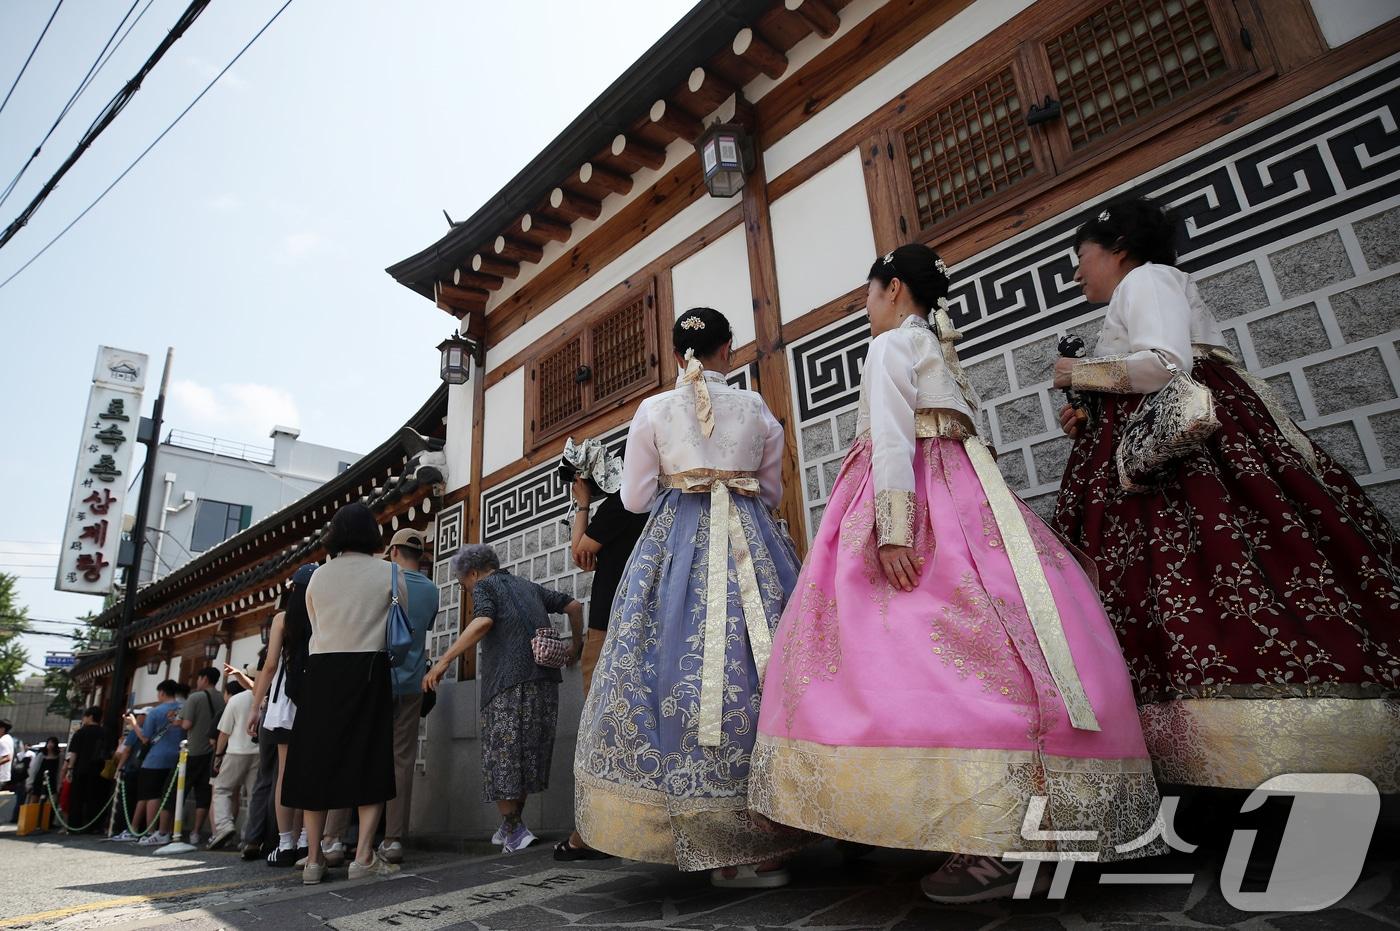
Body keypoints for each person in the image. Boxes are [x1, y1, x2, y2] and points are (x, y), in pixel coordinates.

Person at [747, 245, 1162, 903]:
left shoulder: (889, 348)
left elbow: (890, 436)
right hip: (973, 500)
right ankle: (1038, 827)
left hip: (911, 494)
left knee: (904, 655)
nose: (866, 306)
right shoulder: (941, 350)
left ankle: (982, 839)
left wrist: (891, 530)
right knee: (998, 649)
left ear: (890, 290)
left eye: (868, 293)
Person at [1051, 197, 1400, 796]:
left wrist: (1075, 374)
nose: (1077, 273)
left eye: (1082, 258)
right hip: (1170, 453)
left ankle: (1278, 763)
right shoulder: (1145, 284)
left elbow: (1164, 364)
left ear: (1120, 250)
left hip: (1190, 464)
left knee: (1219, 573)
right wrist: (1094, 409)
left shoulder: (1148, 278)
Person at [574, 307, 805, 888]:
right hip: (747, 540)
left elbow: (632, 498)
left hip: (675, 542)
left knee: (671, 667)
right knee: (759, 666)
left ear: (680, 354)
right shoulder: (754, 408)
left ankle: (700, 834)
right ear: (729, 349)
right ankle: (769, 832)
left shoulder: (653, 410)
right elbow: (772, 488)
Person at [425, 544, 583, 855]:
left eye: (462, 585)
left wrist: (444, 660)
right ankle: (512, 826)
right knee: (525, 756)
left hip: (507, 684)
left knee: (503, 757)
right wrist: (575, 646)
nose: (467, 590)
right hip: (545, 682)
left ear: (472, 573)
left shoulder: (484, 586)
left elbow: (483, 622)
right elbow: (575, 606)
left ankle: (512, 829)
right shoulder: (527, 585)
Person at [281, 504, 401, 885]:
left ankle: (314, 859)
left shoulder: (317, 577)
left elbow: (315, 624)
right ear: (372, 533)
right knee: (370, 758)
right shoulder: (390, 571)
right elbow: (402, 620)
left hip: (322, 673)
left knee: (316, 762)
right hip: (369, 669)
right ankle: (363, 856)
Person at [321, 528, 438, 867]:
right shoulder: (432, 590)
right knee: (401, 761)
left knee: (354, 752)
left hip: (374, 680)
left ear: (394, 551)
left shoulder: (383, 578)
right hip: (412, 682)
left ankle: (333, 839)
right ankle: (393, 839)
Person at [556, 455, 647, 861]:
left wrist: (582, 503)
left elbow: (580, 553)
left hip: (609, 624)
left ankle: (592, 831)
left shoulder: (623, 503)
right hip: (649, 623)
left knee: (600, 722)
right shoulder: (661, 503)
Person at [248, 567, 314, 867]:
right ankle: (305, 841)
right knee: (309, 771)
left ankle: (285, 842)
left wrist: (254, 705)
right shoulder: (322, 615)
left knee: (285, 774)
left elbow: (270, 664)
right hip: (313, 699)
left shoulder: (282, 620)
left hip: (284, 703)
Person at [238, 651, 281, 860]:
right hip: (287, 713)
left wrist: (256, 707)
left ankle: (253, 839)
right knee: (280, 779)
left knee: (264, 779)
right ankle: (276, 839)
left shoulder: (270, 655)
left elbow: (261, 683)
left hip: (267, 713)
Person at [208, 677, 258, 850]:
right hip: (259, 752)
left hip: (236, 750)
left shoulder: (236, 699)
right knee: (254, 796)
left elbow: (224, 732)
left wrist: (218, 755)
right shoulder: (264, 695)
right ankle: (249, 837)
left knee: (222, 789)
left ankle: (224, 826)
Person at [135, 680, 186, 846]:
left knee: (153, 795)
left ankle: (152, 831)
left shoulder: (156, 712)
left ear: (162, 692)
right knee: (171, 795)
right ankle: (169, 830)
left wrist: (133, 725)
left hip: (155, 758)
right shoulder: (183, 708)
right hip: (178, 756)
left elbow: (145, 738)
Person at [177, 668, 225, 845]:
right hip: (213, 752)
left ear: (204, 678)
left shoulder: (195, 697)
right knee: (204, 794)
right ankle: (196, 832)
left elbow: (187, 724)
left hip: (194, 750)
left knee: (179, 789)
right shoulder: (222, 698)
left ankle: (166, 831)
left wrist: (177, 721)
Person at [63, 706, 110, 833]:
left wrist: (70, 768)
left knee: (77, 798)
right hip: (99, 770)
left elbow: (74, 753)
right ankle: (94, 826)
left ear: (90, 717)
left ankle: (75, 826)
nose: (83, 719)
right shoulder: (104, 732)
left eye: (85, 716)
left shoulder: (80, 732)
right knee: (96, 798)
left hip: (81, 769)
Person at [110, 710, 148, 840]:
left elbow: (125, 751)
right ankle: (139, 828)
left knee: (126, 802)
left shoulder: (135, 732)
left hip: (131, 769)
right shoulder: (153, 731)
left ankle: (125, 828)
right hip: (145, 769)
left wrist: (119, 768)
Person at [26, 738, 62, 818]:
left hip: (52, 781)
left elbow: (59, 771)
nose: (50, 745)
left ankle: (47, 820)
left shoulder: (59, 757)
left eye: (52, 743)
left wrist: (59, 785)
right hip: (39, 779)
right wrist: (29, 782)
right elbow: (33, 769)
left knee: (52, 801)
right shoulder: (41, 755)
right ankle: (31, 819)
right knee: (34, 798)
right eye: (49, 742)